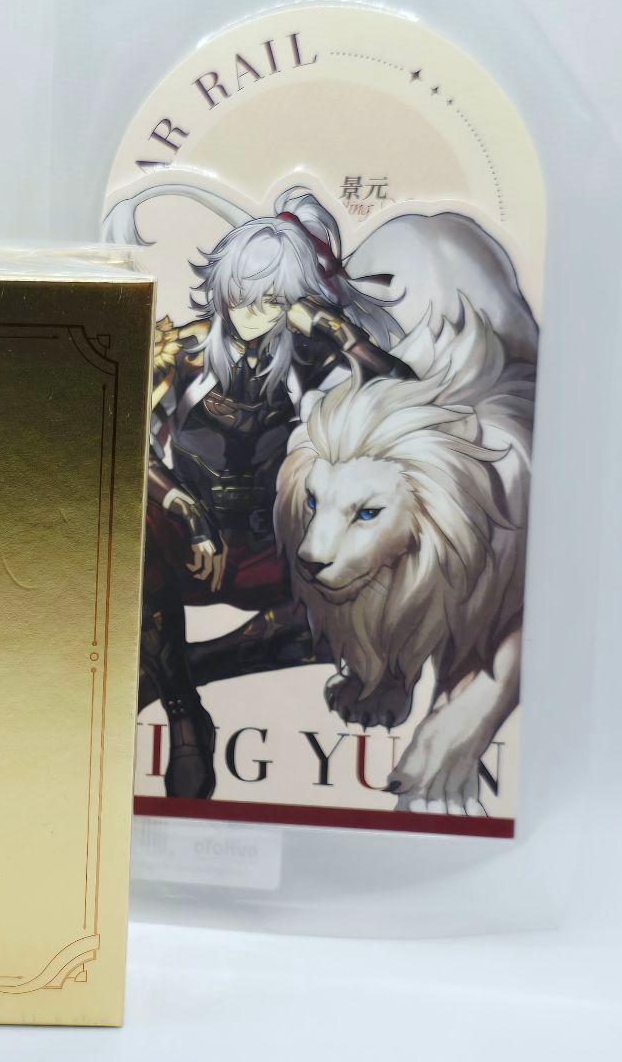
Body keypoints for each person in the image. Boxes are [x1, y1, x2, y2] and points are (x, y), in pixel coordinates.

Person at [104, 186, 412, 798]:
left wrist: (340, 332)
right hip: (196, 547)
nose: (253, 313)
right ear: (222, 288)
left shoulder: (308, 358)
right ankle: (185, 717)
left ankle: (179, 670)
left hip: (277, 553)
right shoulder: (181, 353)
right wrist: (186, 511)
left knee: (363, 596)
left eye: (272, 299)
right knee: (132, 532)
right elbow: (124, 437)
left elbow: (403, 393)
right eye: (243, 295)